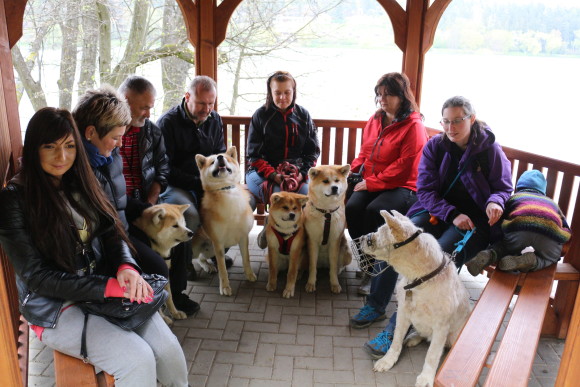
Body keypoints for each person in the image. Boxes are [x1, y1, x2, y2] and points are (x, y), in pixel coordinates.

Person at [0, 107, 188, 386]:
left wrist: (127, 267)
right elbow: (37, 277)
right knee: (137, 360)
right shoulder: (14, 200)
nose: (61, 156)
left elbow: (112, 230)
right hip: (55, 307)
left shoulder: (86, 180)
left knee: (169, 352)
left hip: (103, 288)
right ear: (34, 149)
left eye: (69, 146)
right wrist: (107, 287)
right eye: (50, 146)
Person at [359, 95, 513, 360]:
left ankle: (397, 329)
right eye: (446, 122)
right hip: (435, 212)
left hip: (472, 222)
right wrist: (451, 213)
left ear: (471, 119)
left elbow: (503, 187)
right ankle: (376, 304)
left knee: (435, 260)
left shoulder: (489, 150)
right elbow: (426, 190)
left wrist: (494, 203)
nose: (451, 128)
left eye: (458, 121)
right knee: (395, 240)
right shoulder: (435, 146)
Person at [72, 85, 170, 282]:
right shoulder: (76, 168)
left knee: (162, 255)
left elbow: (116, 199)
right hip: (105, 243)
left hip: (121, 230)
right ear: (90, 133)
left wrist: (145, 209)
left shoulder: (109, 155)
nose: (121, 144)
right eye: (116, 138)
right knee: (156, 268)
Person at [346, 72, 428, 297]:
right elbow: (365, 151)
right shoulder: (375, 120)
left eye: (389, 94)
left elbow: (406, 164)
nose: (383, 99)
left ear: (402, 96)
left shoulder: (413, 126)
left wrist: (372, 183)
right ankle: (367, 261)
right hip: (373, 181)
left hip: (404, 186)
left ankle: (377, 272)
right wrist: (353, 172)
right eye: (380, 94)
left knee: (375, 212)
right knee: (352, 208)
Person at [157, 75, 232, 310]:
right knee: (189, 216)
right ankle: (184, 268)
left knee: (235, 207)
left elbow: (221, 154)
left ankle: (210, 252)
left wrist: (220, 182)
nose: (207, 109)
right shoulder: (167, 123)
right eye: (202, 103)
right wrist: (200, 184)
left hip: (206, 182)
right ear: (187, 97)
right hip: (176, 184)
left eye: (211, 103)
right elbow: (165, 169)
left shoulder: (214, 119)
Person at [246, 70, 320, 248]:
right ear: (270, 93)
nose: (282, 97)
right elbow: (253, 156)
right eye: (277, 93)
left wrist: (301, 175)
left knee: (304, 196)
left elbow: (312, 152)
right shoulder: (260, 115)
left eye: (287, 92)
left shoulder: (303, 116)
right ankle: (275, 236)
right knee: (281, 195)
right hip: (261, 173)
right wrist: (274, 175)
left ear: (294, 92)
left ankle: (294, 245)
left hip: (297, 173)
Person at [466, 169, 571, 275]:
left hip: (519, 234)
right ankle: (533, 261)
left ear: (518, 187)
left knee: (503, 247)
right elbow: (566, 229)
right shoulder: (552, 204)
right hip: (548, 238)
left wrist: (497, 241)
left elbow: (499, 221)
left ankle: (490, 255)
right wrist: (560, 239)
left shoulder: (514, 198)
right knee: (550, 258)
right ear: (543, 190)